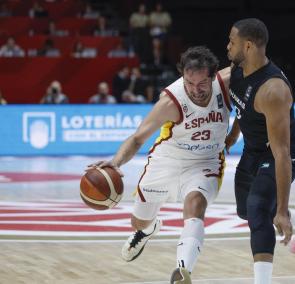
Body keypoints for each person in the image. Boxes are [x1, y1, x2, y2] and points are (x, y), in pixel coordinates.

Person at [88, 46, 231, 283]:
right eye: (189, 83)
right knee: (138, 222)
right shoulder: (171, 101)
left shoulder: (226, 82)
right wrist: (115, 162)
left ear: (213, 76)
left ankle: (182, 271)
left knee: (195, 204)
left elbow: (257, 65)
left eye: (202, 84)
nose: (195, 90)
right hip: (166, 161)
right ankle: (148, 229)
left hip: (206, 161)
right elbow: (137, 138)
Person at [225, 18, 295, 284]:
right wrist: (233, 134)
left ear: (247, 45)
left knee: (259, 209)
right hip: (253, 150)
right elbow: (244, 107)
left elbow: (281, 153)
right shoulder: (237, 70)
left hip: (284, 153)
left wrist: (283, 209)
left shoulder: (273, 90)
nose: (227, 46)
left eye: (231, 42)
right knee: (246, 211)